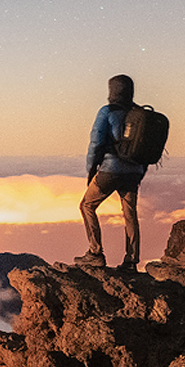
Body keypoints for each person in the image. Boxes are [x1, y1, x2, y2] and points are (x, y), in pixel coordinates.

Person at [75, 74, 146, 271]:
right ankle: (131, 261)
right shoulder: (139, 114)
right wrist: (139, 172)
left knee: (87, 205)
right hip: (134, 172)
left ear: (112, 91)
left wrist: (91, 170)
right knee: (130, 214)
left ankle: (95, 253)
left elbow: (96, 143)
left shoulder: (107, 112)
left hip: (110, 170)